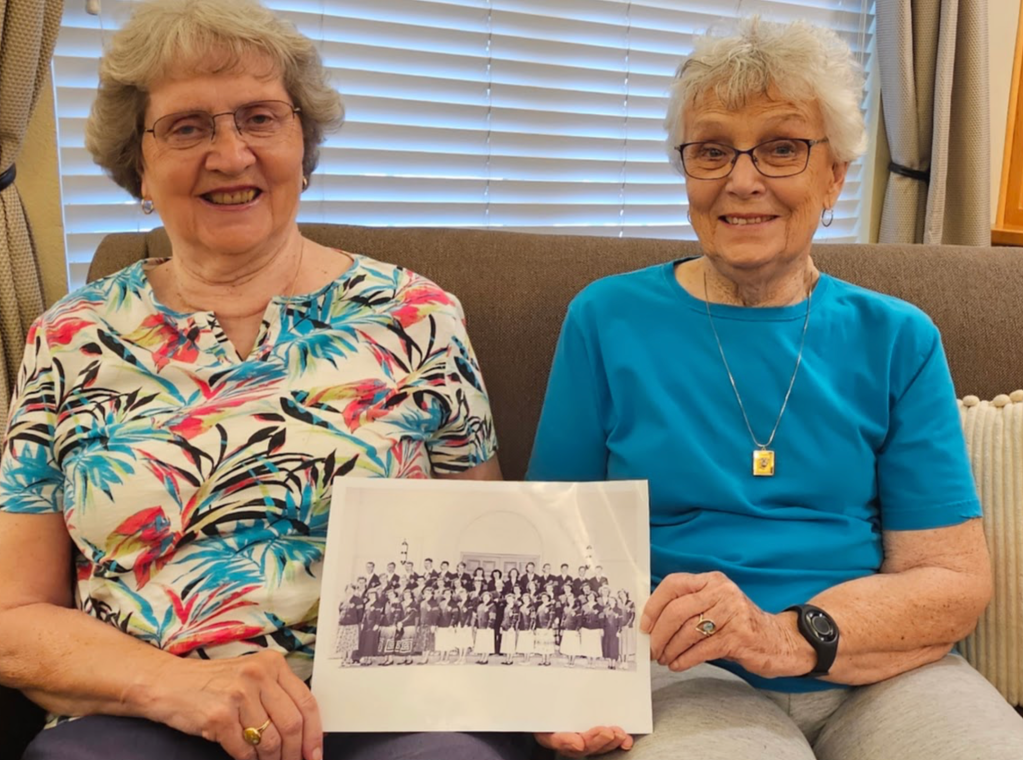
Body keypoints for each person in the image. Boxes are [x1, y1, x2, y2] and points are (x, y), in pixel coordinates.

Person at [0, 2, 539, 760]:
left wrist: (560, 689)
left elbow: (491, 554)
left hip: (397, 709)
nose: (230, 155)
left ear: (302, 144)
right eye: (187, 127)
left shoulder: (416, 316)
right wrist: (174, 687)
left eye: (260, 118)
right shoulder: (70, 337)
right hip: (142, 711)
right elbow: (14, 612)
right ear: (138, 164)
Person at [528, 16, 1023, 760]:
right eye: (711, 150)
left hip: (877, 668)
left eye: (782, 147)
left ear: (835, 175)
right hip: (684, 670)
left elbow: (947, 580)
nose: (741, 178)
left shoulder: (896, 338)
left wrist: (787, 636)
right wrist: (555, 690)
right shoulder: (607, 318)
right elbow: (552, 545)